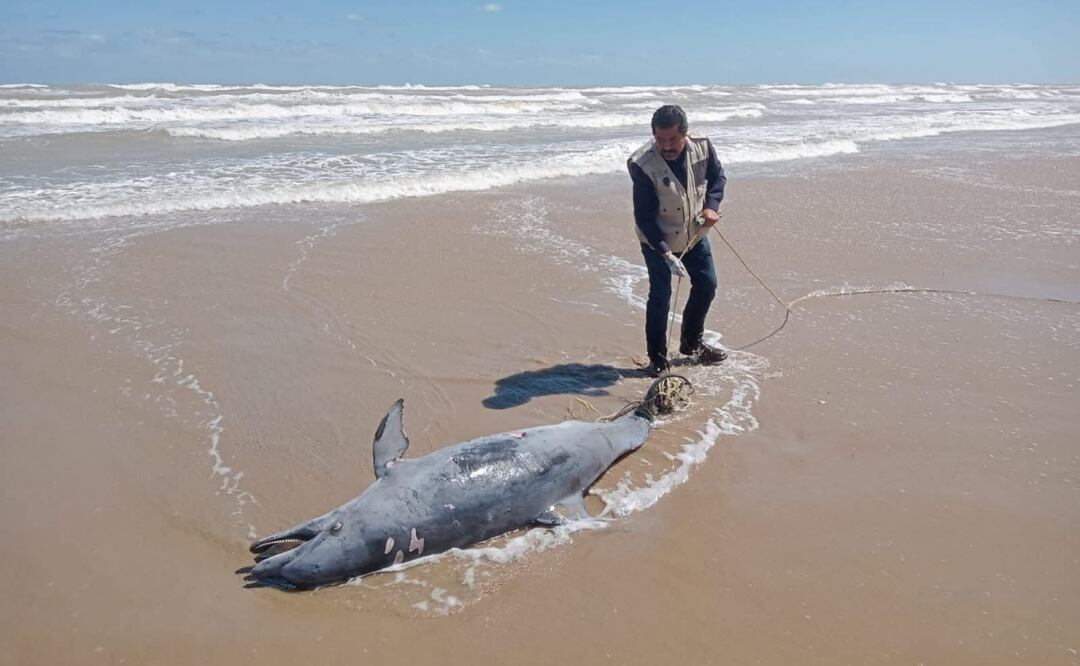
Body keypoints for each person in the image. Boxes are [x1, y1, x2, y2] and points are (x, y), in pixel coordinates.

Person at [628, 104, 728, 377]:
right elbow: (644, 217)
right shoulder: (642, 164)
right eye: (659, 139)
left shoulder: (703, 146)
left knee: (707, 285)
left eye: (672, 139)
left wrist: (711, 205)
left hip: (694, 234)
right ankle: (657, 359)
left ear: (685, 134)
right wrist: (664, 253)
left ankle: (691, 344)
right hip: (656, 241)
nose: (666, 145)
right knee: (660, 297)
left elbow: (717, 177)